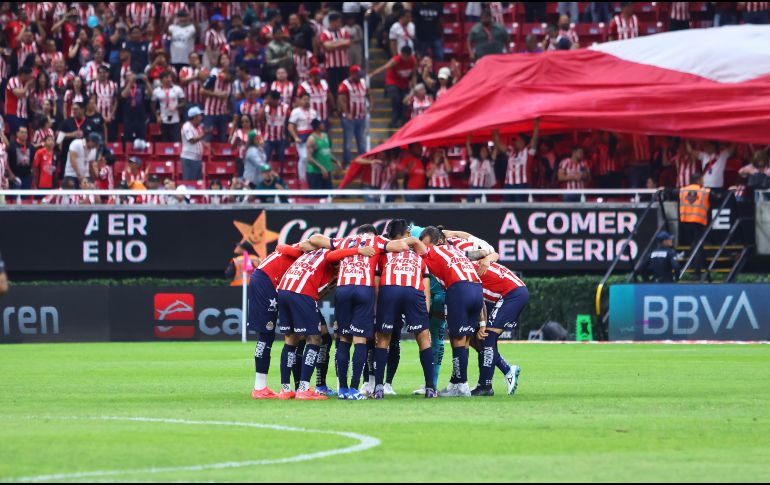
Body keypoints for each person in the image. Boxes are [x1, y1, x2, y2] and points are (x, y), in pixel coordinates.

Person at [276, 242, 371, 400]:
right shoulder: (331, 253)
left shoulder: (310, 253)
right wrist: (359, 251)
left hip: (284, 289)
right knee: (315, 338)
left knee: (291, 338)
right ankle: (304, 389)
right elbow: (333, 257)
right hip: (301, 292)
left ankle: (285, 388)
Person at [409, 227, 484, 398]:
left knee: (457, 339)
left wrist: (396, 242)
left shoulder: (432, 250)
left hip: (459, 289)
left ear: (437, 242)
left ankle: (462, 386)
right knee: (464, 339)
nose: (423, 248)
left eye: (425, 243)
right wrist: (486, 253)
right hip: (477, 288)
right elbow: (476, 254)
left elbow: (414, 242)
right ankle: (457, 382)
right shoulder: (456, 250)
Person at [373, 220, 438, 399]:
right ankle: (430, 388)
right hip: (413, 290)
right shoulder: (418, 257)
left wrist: (377, 313)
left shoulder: (383, 254)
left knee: (383, 339)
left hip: (389, 290)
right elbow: (426, 289)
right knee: (423, 339)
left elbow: (377, 286)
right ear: (407, 234)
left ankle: (378, 388)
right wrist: (424, 318)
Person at [249, 240, 313, 399]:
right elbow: (284, 247)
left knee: (268, 335)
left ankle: (262, 387)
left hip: (268, 281)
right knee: (266, 334)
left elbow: (281, 247)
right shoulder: (302, 250)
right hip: (266, 281)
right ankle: (259, 388)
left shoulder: (300, 253)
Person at [471, 259, 527, 396]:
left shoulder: (466, 272)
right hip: (512, 292)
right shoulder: (470, 264)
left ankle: (485, 386)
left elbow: (478, 299)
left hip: (512, 294)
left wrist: (483, 324)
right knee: (480, 339)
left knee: (487, 337)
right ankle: (503, 373)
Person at [369, 45, 417, 128]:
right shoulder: (396, 59)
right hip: (392, 81)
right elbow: (384, 67)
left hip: (404, 83)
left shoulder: (413, 61)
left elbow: (414, 74)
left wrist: (414, 86)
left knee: (405, 101)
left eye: (405, 56)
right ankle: (394, 120)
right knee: (396, 98)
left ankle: (402, 120)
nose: (403, 57)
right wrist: (372, 74)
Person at [494, 119, 540, 202]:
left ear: (523, 142)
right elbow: (498, 143)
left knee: (520, 207)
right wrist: (495, 128)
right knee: (507, 207)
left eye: (518, 140)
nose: (515, 142)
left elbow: (534, 140)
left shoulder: (528, 152)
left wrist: (536, 126)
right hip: (508, 185)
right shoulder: (511, 152)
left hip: (522, 184)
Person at [678, 173, 711, 282]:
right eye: (702, 180)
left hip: (685, 222)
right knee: (698, 246)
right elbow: (715, 196)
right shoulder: (704, 191)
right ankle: (697, 272)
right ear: (698, 180)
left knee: (697, 245)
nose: (703, 182)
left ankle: (688, 256)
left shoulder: (682, 190)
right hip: (698, 222)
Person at [338, 65, 371, 166]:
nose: (360, 77)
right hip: (349, 119)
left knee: (361, 142)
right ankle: (346, 163)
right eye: (358, 75)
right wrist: (347, 113)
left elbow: (368, 93)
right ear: (352, 74)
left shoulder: (363, 82)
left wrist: (371, 104)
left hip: (361, 117)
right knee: (348, 142)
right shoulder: (344, 84)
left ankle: (364, 163)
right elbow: (341, 100)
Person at [201, 53, 233, 143]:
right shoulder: (214, 75)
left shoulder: (231, 76)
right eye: (223, 58)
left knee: (223, 139)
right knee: (207, 137)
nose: (225, 60)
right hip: (210, 112)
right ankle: (206, 157)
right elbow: (202, 90)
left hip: (223, 113)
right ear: (219, 61)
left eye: (227, 58)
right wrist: (218, 95)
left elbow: (229, 97)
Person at [288, 93, 318, 183]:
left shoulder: (313, 112)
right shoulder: (296, 112)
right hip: (301, 138)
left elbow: (317, 126)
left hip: (312, 138)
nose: (306, 101)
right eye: (304, 99)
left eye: (308, 99)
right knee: (304, 157)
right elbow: (290, 126)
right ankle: (302, 179)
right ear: (300, 101)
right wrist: (295, 137)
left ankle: (310, 177)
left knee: (312, 158)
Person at [321, 12, 352, 97]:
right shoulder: (325, 33)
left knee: (345, 86)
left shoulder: (344, 31)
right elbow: (327, 47)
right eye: (338, 21)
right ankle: (336, 108)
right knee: (333, 88)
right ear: (332, 22)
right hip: (331, 66)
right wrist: (341, 43)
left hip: (344, 65)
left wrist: (333, 44)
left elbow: (348, 43)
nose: (340, 23)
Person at [306, 119, 342, 190]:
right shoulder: (311, 139)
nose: (323, 125)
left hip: (327, 171)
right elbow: (309, 158)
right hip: (315, 173)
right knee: (317, 197)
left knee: (328, 195)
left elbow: (327, 152)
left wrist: (336, 161)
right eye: (321, 124)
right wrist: (321, 167)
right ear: (317, 127)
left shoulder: (325, 136)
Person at [152, 72, 186, 143]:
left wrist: (176, 107)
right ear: (161, 80)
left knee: (175, 142)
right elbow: (152, 105)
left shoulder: (177, 89)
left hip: (175, 120)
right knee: (165, 142)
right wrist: (157, 116)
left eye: (170, 78)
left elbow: (184, 102)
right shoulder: (156, 91)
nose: (169, 79)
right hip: (163, 120)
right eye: (167, 78)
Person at [261, 91, 290, 175]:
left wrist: (288, 136)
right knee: (265, 158)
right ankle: (265, 176)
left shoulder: (285, 108)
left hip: (281, 138)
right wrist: (263, 106)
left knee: (281, 159)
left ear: (276, 100)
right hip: (268, 139)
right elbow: (260, 119)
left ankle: (279, 176)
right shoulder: (266, 108)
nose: (268, 100)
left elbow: (289, 121)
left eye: (270, 99)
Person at [120, 71, 151, 144]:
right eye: (128, 76)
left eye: (132, 75)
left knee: (141, 140)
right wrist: (130, 83)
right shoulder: (122, 88)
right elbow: (124, 95)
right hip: (128, 118)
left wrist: (147, 82)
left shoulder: (141, 87)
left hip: (140, 118)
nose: (131, 77)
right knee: (128, 141)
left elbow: (150, 93)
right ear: (125, 78)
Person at [466, 136, 497, 202]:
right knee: (471, 206)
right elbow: (468, 146)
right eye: (482, 151)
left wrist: (495, 137)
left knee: (482, 207)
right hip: (473, 188)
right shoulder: (474, 160)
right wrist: (470, 134)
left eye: (486, 151)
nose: (484, 152)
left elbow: (496, 150)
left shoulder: (489, 162)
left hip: (484, 188)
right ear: (479, 152)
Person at [181, 107, 207, 181]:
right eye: (199, 115)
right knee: (189, 182)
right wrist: (205, 133)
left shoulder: (198, 127)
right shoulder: (187, 126)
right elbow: (192, 140)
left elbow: (200, 140)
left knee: (197, 182)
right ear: (195, 117)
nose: (201, 117)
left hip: (197, 158)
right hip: (189, 159)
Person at [5, 66, 34, 134]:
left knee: (24, 136)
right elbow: (18, 94)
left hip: (24, 115)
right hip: (13, 113)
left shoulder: (25, 85)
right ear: (23, 75)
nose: (30, 78)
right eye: (29, 76)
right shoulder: (13, 80)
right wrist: (27, 85)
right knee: (15, 134)